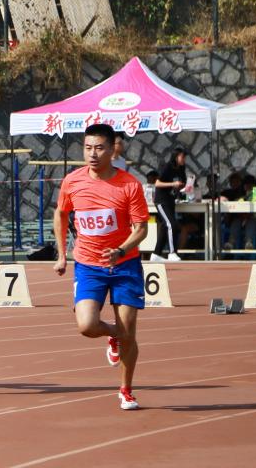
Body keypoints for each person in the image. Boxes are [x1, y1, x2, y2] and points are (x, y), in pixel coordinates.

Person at [52, 123, 149, 411]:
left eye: (99, 148)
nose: (92, 154)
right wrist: (61, 254)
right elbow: (61, 214)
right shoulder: (72, 181)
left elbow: (141, 228)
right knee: (86, 325)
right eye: (87, 148)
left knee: (129, 329)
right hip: (88, 265)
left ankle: (126, 389)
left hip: (125, 266)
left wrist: (121, 251)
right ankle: (114, 335)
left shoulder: (129, 184)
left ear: (112, 150)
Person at [152, 147, 187, 262]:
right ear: (176, 157)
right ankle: (172, 252)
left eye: (185, 157)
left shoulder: (181, 168)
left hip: (171, 200)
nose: (184, 159)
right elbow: (157, 183)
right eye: (182, 157)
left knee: (164, 226)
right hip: (161, 200)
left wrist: (184, 186)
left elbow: (182, 183)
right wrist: (173, 184)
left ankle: (156, 254)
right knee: (172, 224)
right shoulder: (168, 167)